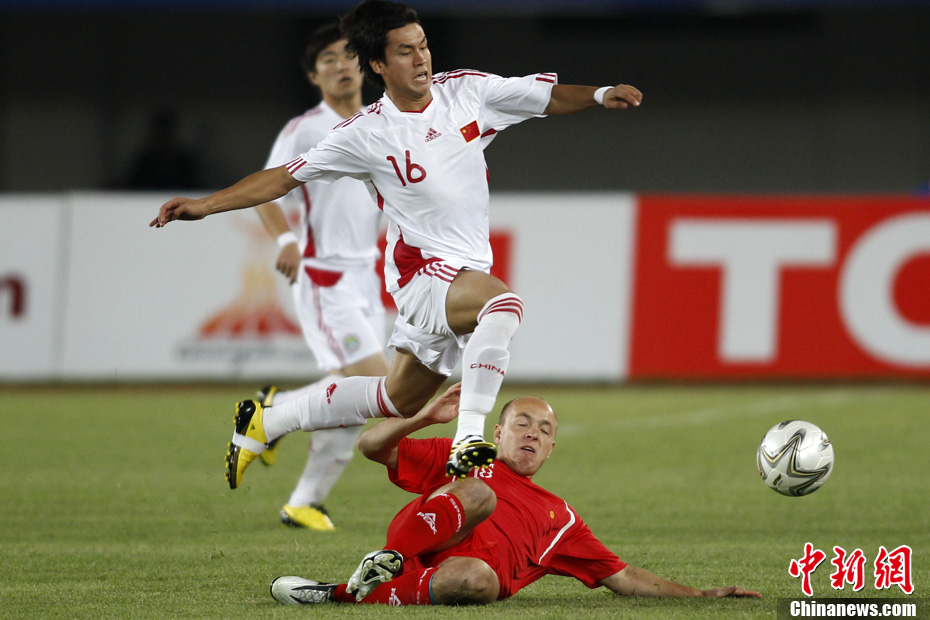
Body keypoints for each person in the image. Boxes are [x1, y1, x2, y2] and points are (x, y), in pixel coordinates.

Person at [150, 0, 644, 485]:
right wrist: (206, 205)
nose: (421, 58)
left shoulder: (466, 92)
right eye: (405, 51)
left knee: (398, 399)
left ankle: (268, 420)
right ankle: (469, 437)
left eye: (423, 45)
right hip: (421, 272)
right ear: (378, 65)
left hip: (462, 272)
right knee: (503, 306)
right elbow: (283, 178)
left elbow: (544, 98)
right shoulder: (366, 134)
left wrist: (601, 94)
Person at [268, 387, 763, 606]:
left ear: (551, 449)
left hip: (461, 578)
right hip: (419, 542)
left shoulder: (561, 518)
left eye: (544, 430)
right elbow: (371, 446)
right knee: (481, 493)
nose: (532, 433)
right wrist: (422, 418)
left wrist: (701, 595)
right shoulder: (465, 455)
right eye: (522, 423)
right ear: (499, 432)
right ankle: (389, 560)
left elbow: (624, 577)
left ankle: (345, 593)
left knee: (477, 579)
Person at [250, 23, 389, 531]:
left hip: (367, 277)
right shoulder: (306, 129)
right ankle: (274, 412)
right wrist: (286, 240)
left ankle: (304, 501)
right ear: (314, 75)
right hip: (324, 278)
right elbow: (265, 190)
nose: (341, 65)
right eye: (327, 59)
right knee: (375, 384)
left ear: (365, 65)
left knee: (356, 397)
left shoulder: (383, 121)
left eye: (348, 55)